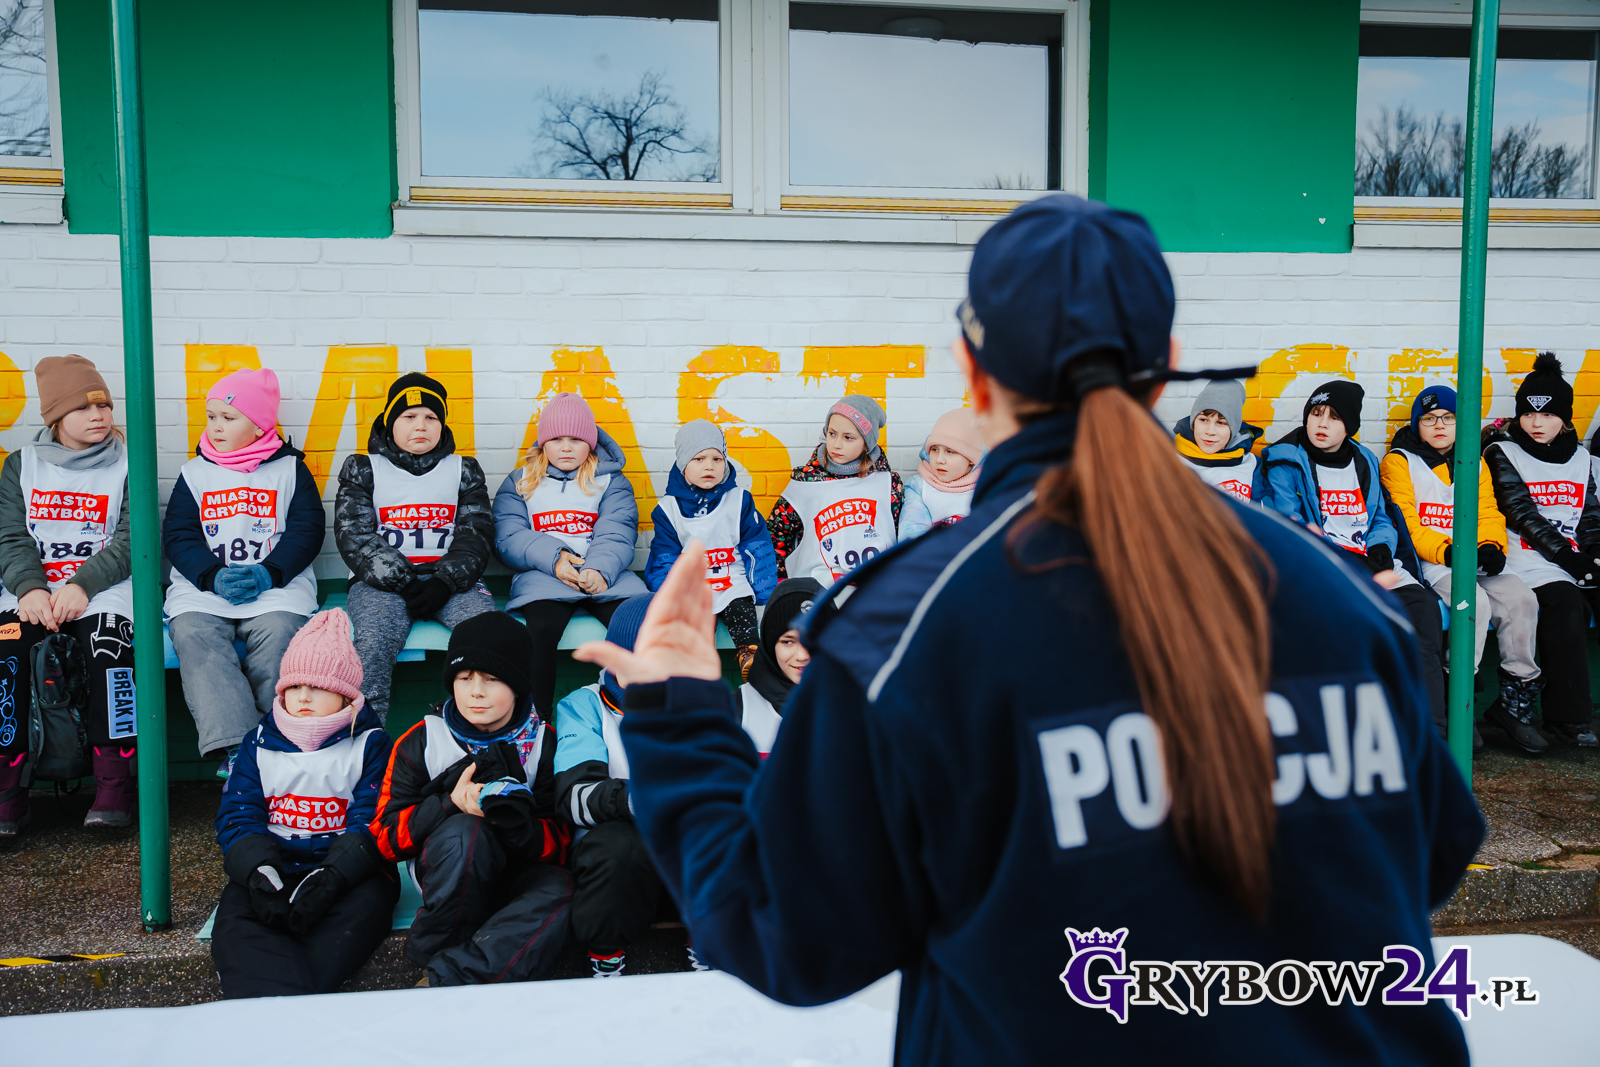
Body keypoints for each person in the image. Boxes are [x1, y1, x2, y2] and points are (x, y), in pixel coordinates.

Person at [578, 196, 1482, 1063]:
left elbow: (782, 931)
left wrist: (680, 716)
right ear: (1164, 365)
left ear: (974, 371)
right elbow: (1434, 853)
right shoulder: (1336, 588)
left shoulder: (906, 628)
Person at [370, 611, 572, 986]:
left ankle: (448, 979)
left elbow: (561, 843)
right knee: (468, 833)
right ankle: (435, 957)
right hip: (449, 874)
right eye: (464, 678)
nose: (476, 691)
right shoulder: (423, 740)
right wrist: (449, 804)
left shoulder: (544, 743)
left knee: (564, 889)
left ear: (518, 684)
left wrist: (516, 823)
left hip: (516, 872)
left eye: (492, 679)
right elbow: (384, 839)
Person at [210, 609, 397, 998]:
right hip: (275, 865)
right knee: (237, 922)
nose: (304, 697)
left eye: (318, 687)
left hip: (347, 871)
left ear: (346, 696)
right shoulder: (258, 742)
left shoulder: (371, 744)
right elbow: (239, 814)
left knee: (361, 914)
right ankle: (273, 1002)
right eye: (294, 687)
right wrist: (258, 869)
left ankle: (285, 1000)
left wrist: (335, 874)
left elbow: (373, 817)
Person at [1260, 381, 1449, 730]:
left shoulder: (1364, 460)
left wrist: (1380, 546)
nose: (1321, 423)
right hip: (1322, 568)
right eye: (1316, 414)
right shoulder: (1285, 460)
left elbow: (1380, 516)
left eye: (1334, 417)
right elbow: (1290, 525)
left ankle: (1431, 726)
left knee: (1422, 609)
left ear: (1349, 425)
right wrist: (1346, 561)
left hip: (1372, 563)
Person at [162, 367, 324, 776]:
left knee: (280, 634)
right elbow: (179, 535)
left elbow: (307, 531)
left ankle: (278, 740)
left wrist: (270, 573)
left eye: (228, 417)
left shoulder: (290, 470)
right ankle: (240, 748)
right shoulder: (194, 473)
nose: (216, 426)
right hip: (205, 590)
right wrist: (211, 576)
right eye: (211, 416)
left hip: (275, 588)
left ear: (258, 426)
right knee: (193, 634)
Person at [0, 355, 137, 834]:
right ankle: (8, 791)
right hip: (31, 594)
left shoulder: (130, 463)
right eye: (83, 408)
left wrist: (82, 585)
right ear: (57, 415)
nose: (98, 416)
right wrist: (30, 588)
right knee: (8, 653)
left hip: (103, 592)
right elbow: (10, 538)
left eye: (103, 406)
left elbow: (132, 540)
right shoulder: (22, 465)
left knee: (109, 654)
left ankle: (114, 785)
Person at [553, 595, 706, 977]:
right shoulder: (585, 705)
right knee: (618, 843)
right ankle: (606, 956)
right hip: (614, 871)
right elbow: (574, 797)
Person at [1382, 383, 1539, 752]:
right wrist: (1449, 551)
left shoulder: (1474, 461)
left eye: (1449, 418)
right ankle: (1460, 700)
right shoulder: (1400, 461)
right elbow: (1406, 522)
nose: (1439, 425)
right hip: (1433, 559)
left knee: (1521, 600)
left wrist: (1492, 546)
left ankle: (1515, 701)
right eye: (1430, 418)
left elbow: (1488, 513)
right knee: (1474, 604)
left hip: (1471, 556)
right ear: (1417, 424)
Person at [335, 372, 496, 724]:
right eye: (409, 416)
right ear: (390, 423)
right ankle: (366, 738)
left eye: (431, 417)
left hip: (451, 582)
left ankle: (477, 733)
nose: (420, 425)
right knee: (374, 644)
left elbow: (477, 533)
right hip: (380, 584)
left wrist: (445, 582)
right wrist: (404, 583)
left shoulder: (464, 469)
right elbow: (354, 535)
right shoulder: (363, 468)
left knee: (490, 636)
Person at [493, 392, 648, 720]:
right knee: (540, 630)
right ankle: (537, 722)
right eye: (557, 439)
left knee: (636, 626)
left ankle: (636, 716)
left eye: (576, 439)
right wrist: (556, 560)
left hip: (605, 576)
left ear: (590, 443)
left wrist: (598, 570)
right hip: (545, 577)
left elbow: (618, 529)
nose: (566, 447)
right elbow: (508, 536)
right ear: (543, 443)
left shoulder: (609, 481)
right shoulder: (521, 482)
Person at [1481, 352, 1600, 752]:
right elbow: (1521, 513)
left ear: (1564, 419)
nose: (1536, 423)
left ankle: (1564, 712)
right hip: (1525, 558)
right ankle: (1569, 719)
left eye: (1547, 415)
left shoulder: (1580, 458)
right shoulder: (1502, 451)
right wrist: (1571, 560)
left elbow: (1588, 514)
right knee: (1566, 603)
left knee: (1581, 600)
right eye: (1528, 414)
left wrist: (1595, 554)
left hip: (1568, 559)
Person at [644, 420, 776, 678]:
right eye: (699, 459)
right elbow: (664, 557)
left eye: (717, 459)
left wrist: (763, 594)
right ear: (683, 464)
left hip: (732, 579)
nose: (709, 466)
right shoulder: (668, 509)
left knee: (740, 607)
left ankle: (750, 653)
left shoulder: (739, 500)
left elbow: (757, 548)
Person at [766, 395, 903, 584]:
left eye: (848, 437)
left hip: (875, 586)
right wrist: (779, 581)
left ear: (866, 443)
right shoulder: (806, 483)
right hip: (815, 588)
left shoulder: (888, 483)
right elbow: (777, 533)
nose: (837, 444)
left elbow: (901, 533)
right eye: (832, 434)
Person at [738, 577, 827, 758]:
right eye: (788, 641)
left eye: (812, 639)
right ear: (770, 645)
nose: (802, 655)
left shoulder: (858, 706)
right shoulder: (739, 709)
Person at [899, 408, 985, 539]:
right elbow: (912, 535)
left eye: (950, 451)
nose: (939, 460)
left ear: (972, 458)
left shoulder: (988, 486)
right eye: (934, 449)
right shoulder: (919, 487)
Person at [1172, 379, 1262, 502]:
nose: (1210, 431)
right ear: (1193, 422)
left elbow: (1262, 510)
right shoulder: (1169, 457)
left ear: (1234, 428)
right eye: (1203, 420)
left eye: (1221, 423)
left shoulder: (1250, 463)